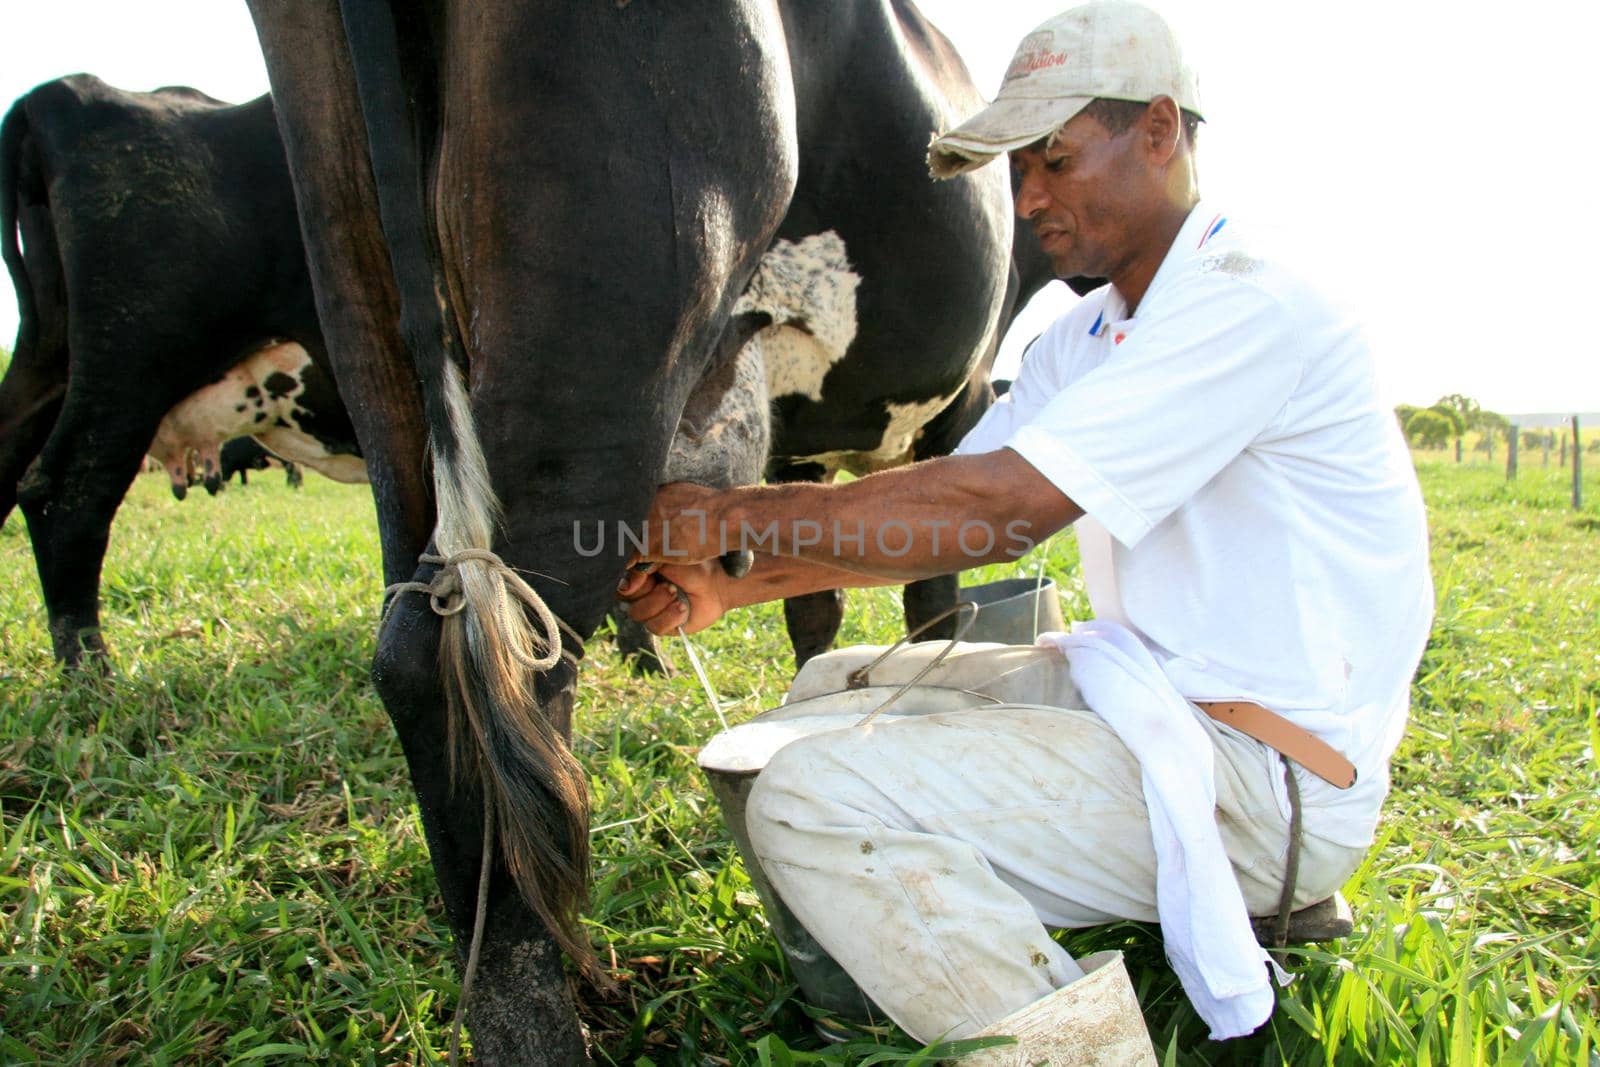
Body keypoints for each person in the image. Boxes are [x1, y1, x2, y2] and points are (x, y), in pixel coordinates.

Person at [619, 1, 1432, 1060]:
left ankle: (1078, 1048)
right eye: (1018, 168)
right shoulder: (1087, 334)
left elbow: (1000, 509)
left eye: (1055, 158)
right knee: (826, 690)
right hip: (1157, 697)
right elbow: (948, 521)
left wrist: (726, 511)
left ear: (1158, 131)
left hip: (1265, 779)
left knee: (809, 798)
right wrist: (732, 579)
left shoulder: (1247, 299)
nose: (1030, 198)